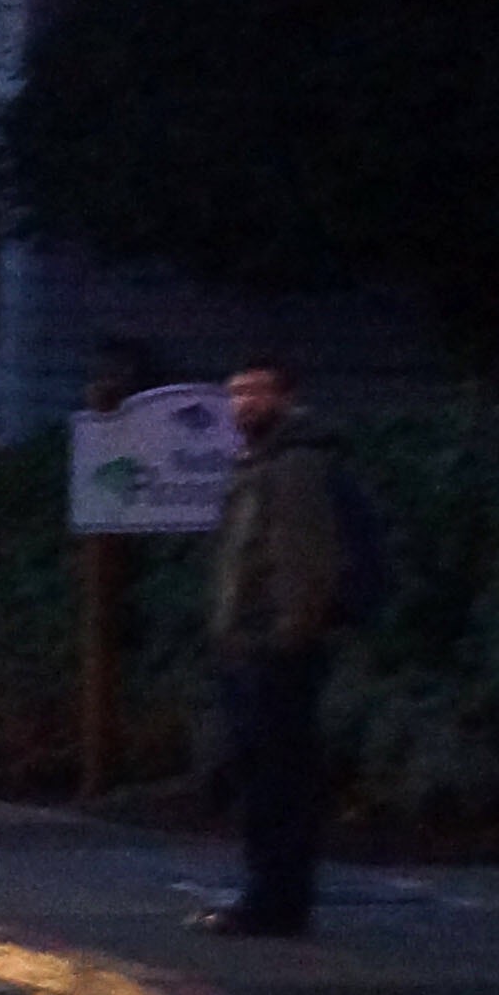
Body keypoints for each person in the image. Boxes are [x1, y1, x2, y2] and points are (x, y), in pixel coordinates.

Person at [198, 357, 358, 939]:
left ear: (286, 396)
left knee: (277, 780)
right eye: (235, 392)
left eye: (256, 392)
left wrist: (285, 637)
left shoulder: (293, 468)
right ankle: (270, 895)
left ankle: (275, 901)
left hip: (274, 651)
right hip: (253, 645)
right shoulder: (260, 463)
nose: (243, 404)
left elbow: (302, 562)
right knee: (262, 775)